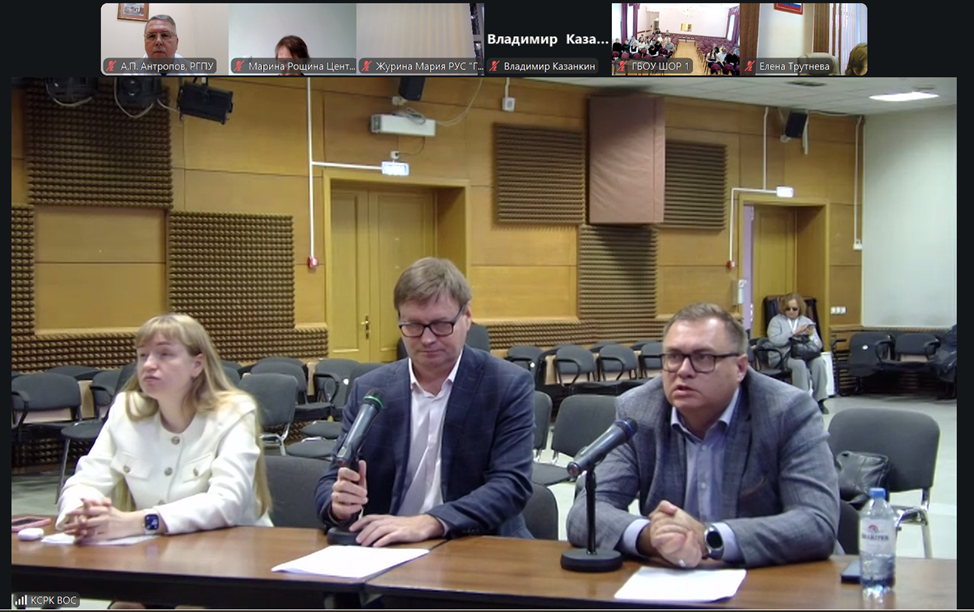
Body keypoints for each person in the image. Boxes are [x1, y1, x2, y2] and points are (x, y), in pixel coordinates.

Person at [566, 303, 839, 569]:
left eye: (703, 358)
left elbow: (816, 522)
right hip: (672, 579)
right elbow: (584, 514)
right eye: (674, 357)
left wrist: (708, 537)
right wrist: (652, 537)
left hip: (772, 579)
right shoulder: (639, 410)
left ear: (740, 368)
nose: (684, 370)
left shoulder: (787, 411)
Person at [315, 257, 535, 547]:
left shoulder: (507, 385)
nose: (427, 339)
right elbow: (333, 476)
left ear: (467, 317)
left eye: (441, 325)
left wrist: (431, 522)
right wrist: (338, 505)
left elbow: (511, 485)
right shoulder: (370, 389)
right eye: (414, 325)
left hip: (478, 544)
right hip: (390, 547)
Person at [56, 313, 272, 607]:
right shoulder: (125, 411)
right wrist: (81, 515)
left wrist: (136, 522)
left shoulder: (233, 412)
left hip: (232, 563)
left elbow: (226, 503)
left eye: (164, 354)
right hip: (155, 559)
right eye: (142, 355)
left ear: (197, 365)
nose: (148, 364)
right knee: (125, 607)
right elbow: (86, 481)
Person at [767, 293, 830, 413]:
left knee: (819, 362)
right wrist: (793, 333)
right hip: (783, 355)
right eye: (788, 308)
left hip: (804, 354)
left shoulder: (806, 321)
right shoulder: (776, 321)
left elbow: (818, 345)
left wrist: (811, 336)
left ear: (800, 309)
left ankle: (819, 400)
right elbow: (775, 340)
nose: (791, 311)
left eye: (794, 309)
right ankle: (802, 400)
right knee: (799, 364)